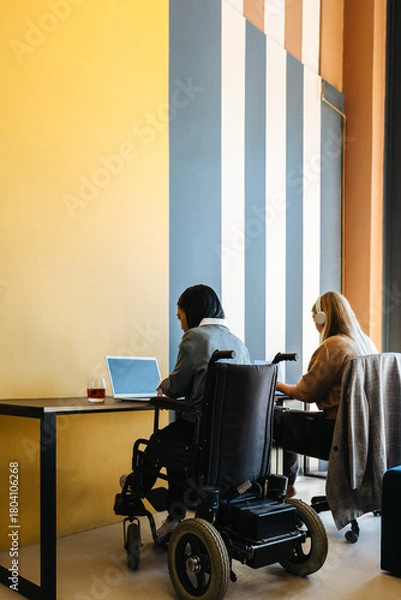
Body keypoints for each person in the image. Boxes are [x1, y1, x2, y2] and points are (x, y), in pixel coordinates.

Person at [128, 284, 251, 541]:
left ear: (191, 313)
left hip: (200, 432)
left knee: (162, 442)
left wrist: (160, 388)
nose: (181, 325)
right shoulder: (240, 344)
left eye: (180, 317)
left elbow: (175, 386)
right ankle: (174, 516)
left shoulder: (195, 337)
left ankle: (134, 489)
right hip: (234, 439)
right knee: (176, 448)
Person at [274, 291, 378, 499]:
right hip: (365, 431)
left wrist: (277, 384)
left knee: (276, 418)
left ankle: (285, 487)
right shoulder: (366, 343)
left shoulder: (333, 346)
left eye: (315, 319)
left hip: (334, 432)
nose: (315, 325)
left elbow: (306, 392)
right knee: (288, 418)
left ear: (323, 317)